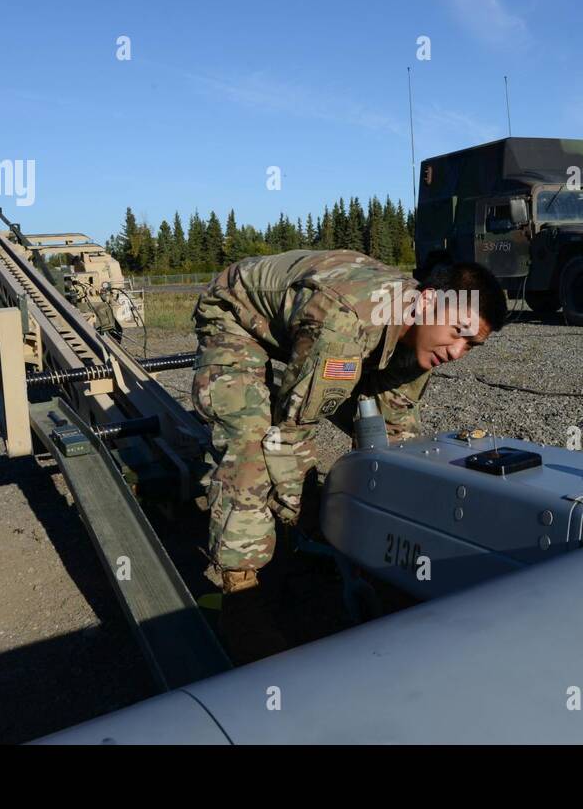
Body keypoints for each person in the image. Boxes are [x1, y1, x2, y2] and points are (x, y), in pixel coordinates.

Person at [191, 249, 507, 592]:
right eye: (458, 332)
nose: (456, 352)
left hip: (306, 323)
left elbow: (396, 426)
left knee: (395, 439)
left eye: (471, 345)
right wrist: (299, 511)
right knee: (250, 443)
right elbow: (291, 431)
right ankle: (238, 585)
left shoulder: (424, 336)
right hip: (236, 315)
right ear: (428, 301)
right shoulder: (344, 323)